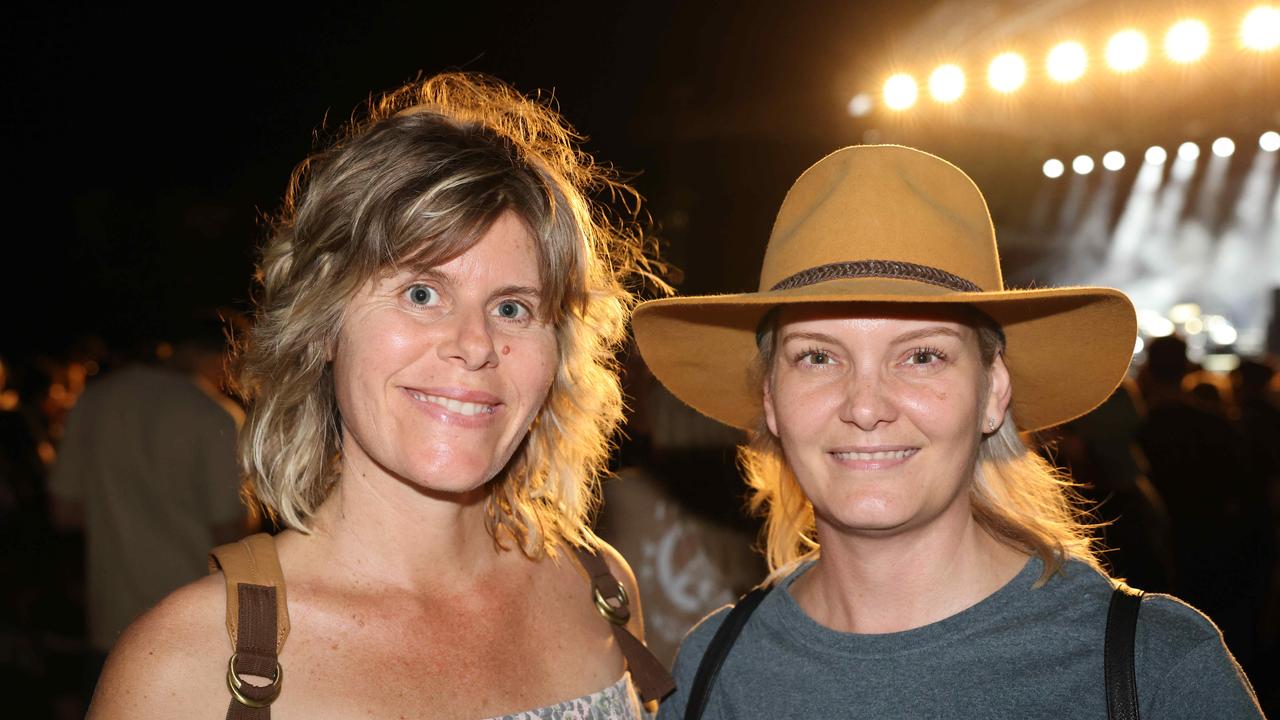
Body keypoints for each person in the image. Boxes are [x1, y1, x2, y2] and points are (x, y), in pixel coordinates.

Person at [88, 73, 671, 719]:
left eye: (512, 307)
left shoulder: (598, 588)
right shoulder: (184, 669)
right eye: (422, 293)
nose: (474, 344)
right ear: (324, 322)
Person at [633, 145, 1264, 718]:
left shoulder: (1154, 671)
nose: (866, 405)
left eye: (922, 355)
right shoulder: (713, 670)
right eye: (817, 356)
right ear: (771, 400)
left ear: (992, 394)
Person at [47, 320, 250, 667]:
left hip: (111, 617)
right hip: (191, 619)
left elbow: (64, 511)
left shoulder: (95, 399)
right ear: (217, 356)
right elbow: (229, 530)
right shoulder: (213, 413)